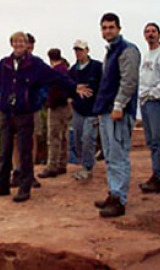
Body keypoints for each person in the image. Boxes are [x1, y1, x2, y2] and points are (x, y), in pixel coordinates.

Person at [0, 31, 77, 202]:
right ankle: (2, 185)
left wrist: (74, 88)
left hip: (25, 113)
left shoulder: (35, 64)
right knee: (5, 151)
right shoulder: (5, 64)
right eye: (15, 42)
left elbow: (55, 77)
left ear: (27, 45)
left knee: (25, 152)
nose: (19, 44)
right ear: (11, 44)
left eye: (22, 42)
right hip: (7, 112)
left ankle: (24, 188)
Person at [86, 13, 140, 217]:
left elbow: (129, 81)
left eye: (111, 27)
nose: (107, 31)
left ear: (119, 28)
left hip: (119, 112)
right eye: (104, 27)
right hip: (107, 111)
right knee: (109, 156)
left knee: (118, 155)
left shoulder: (127, 50)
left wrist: (119, 106)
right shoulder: (111, 51)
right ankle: (113, 193)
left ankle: (119, 200)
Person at [11, 33, 42, 189]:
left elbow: (45, 83)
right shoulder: (11, 63)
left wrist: (39, 99)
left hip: (33, 108)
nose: (27, 49)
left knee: (32, 139)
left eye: (30, 47)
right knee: (15, 140)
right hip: (14, 109)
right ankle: (17, 171)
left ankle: (29, 173)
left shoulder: (35, 64)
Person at [69, 40, 102, 181]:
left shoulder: (97, 67)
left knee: (88, 138)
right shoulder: (73, 70)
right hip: (78, 110)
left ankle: (88, 167)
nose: (78, 53)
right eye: (76, 50)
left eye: (80, 50)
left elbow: (103, 87)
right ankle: (83, 163)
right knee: (77, 139)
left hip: (93, 110)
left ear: (87, 50)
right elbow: (68, 87)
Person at [38, 48, 72, 178]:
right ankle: (62, 164)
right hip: (66, 105)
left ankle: (52, 165)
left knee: (53, 137)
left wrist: (48, 101)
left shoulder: (54, 72)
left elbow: (53, 90)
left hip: (56, 106)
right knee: (64, 136)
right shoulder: (65, 69)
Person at [138, 22, 160, 193]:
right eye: (147, 31)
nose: (150, 34)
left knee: (158, 140)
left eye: (153, 31)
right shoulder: (146, 55)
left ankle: (158, 177)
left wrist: (153, 93)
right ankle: (155, 173)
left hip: (156, 101)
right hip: (145, 101)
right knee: (151, 141)